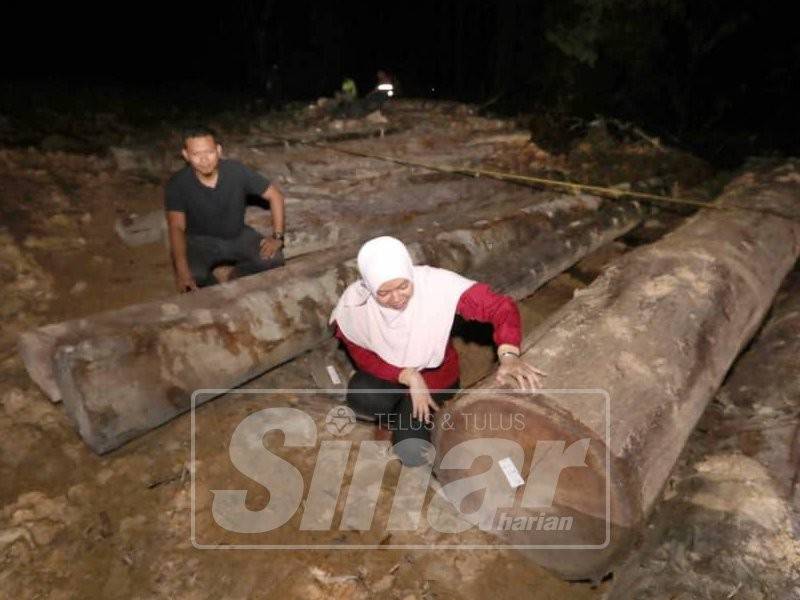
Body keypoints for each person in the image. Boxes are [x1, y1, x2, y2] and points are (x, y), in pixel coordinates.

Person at [330, 236, 545, 466]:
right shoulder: (356, 305)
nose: (396, 298)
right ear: (370, 288)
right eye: (384, 292)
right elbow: (362, 355)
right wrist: (409, 376)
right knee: (362, 397)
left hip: (436, 379)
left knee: (411, 452)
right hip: (394, 375)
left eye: (403, 286)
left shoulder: (436, 286)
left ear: (409, 273)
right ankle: (395, 418)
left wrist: (509, 355)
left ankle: (417, 421)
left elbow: (500, 307)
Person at [165, 127, 286, 292]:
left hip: (237, 234)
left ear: (219, 150)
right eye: (196, 154)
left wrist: (277, 236)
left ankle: (235, 277)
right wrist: (181, 268)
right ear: (186, 155)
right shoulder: (178, 184)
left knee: (274, 259)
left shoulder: (236, 171)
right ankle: (214, 289)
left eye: (209, 152)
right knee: (193, 277)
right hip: (200, 242)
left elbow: (275, 196)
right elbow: (176, 226)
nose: (204, 160)